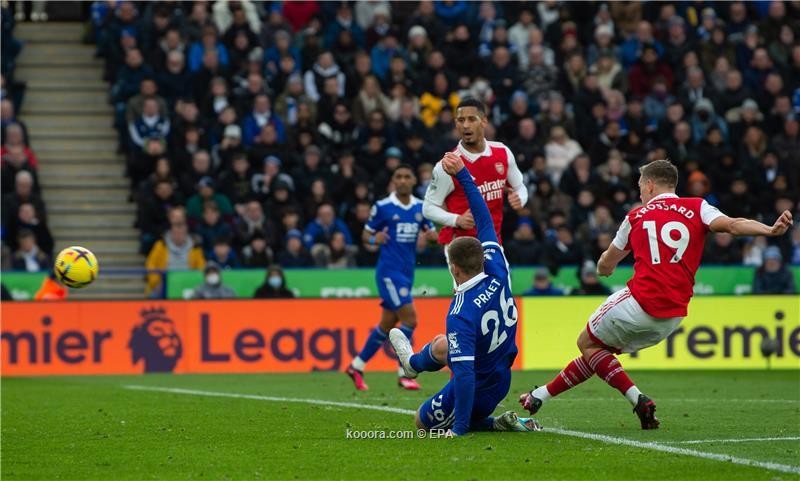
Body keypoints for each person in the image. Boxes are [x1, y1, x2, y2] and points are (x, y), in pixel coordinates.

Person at [519, 160, 794, 429]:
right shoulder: (698, 207)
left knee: (587, 344)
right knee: (598, 354)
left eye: (640, 185)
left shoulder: (636, 216)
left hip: (640, 302)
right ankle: (538, 396)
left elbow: (606, 264)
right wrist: (769, 230)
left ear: (650, 185)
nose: (640, 192)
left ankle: (637, 398)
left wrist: (604, 267)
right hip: (672, 318)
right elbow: (733, 225)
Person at [389, 152, 541, 436]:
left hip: (482, 390)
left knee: (421, 422)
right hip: (502, 377)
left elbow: (465, 376)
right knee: (442, 345)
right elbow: (484, 220)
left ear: (454, 269)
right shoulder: (498, 268)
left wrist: (458, 430)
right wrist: (463, 175)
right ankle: (412, 365)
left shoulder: (461, 311)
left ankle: (489, 422)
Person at [346, 164, 438, 391]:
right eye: (399, 177)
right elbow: (365, 235)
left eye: (407, 176)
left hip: (407, 274)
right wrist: (373, 240)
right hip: (388, 272)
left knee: (387, 325)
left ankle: (356, 366)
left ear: (414, 180)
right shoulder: (383, 207)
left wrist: (432, 237)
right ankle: (404, 371)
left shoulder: (420, 207)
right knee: (410, 320)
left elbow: (432, 235)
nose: (403, 180)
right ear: (393, 181)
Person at [422, 98, 527, 283]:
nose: (466, 125)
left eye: (471, 119)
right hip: (461, 246)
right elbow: (428, 208)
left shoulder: (502, 152)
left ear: (484, 121)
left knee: (502, 301)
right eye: (461, 120)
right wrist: (457, 219)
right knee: (472, 302)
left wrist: (520, 198)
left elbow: (519, 186)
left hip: (494, 244)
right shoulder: (448, 165)